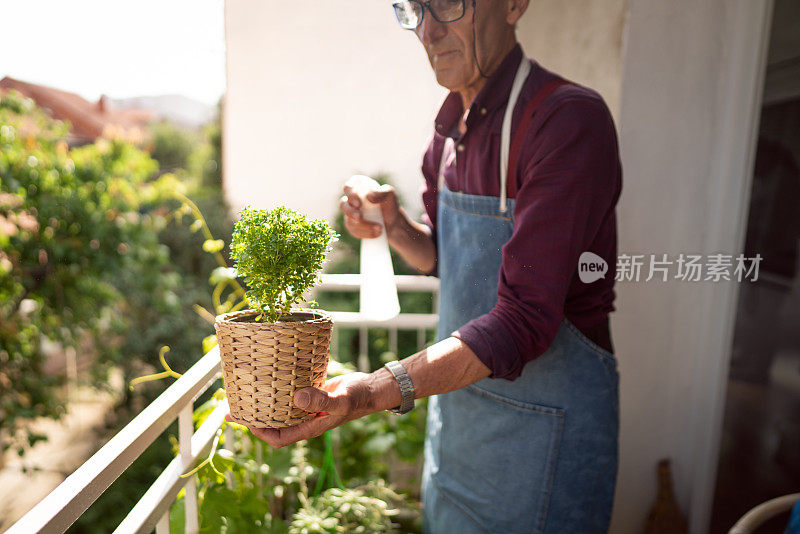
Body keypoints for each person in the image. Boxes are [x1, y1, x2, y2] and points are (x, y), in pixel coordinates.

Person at [227, 0, 623, 531]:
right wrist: (395, 225)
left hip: (542, 439)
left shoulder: (565, 121)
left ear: (513, 5)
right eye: (414, 9)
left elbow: (526, 316)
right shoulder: (447, 134)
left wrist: (370, 393)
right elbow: (448, 258)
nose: (428, 31)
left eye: (450, 4)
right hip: (458, 424)